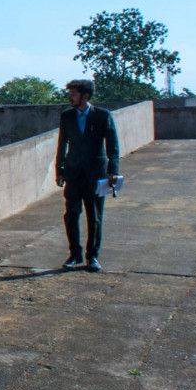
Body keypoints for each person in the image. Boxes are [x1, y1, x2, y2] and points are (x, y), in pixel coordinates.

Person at [56, 78, 119, 272]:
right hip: (73, 173)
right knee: (71, 214)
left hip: (95, 174)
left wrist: (112, 171)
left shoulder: (102, 116)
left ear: (85, 96)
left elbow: (113, 146)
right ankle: (74, 254)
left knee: (95, 217)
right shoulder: (67, 116)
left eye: (73, 94)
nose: (70, 97)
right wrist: (60, 170)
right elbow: (62, 144)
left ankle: (92, 256)